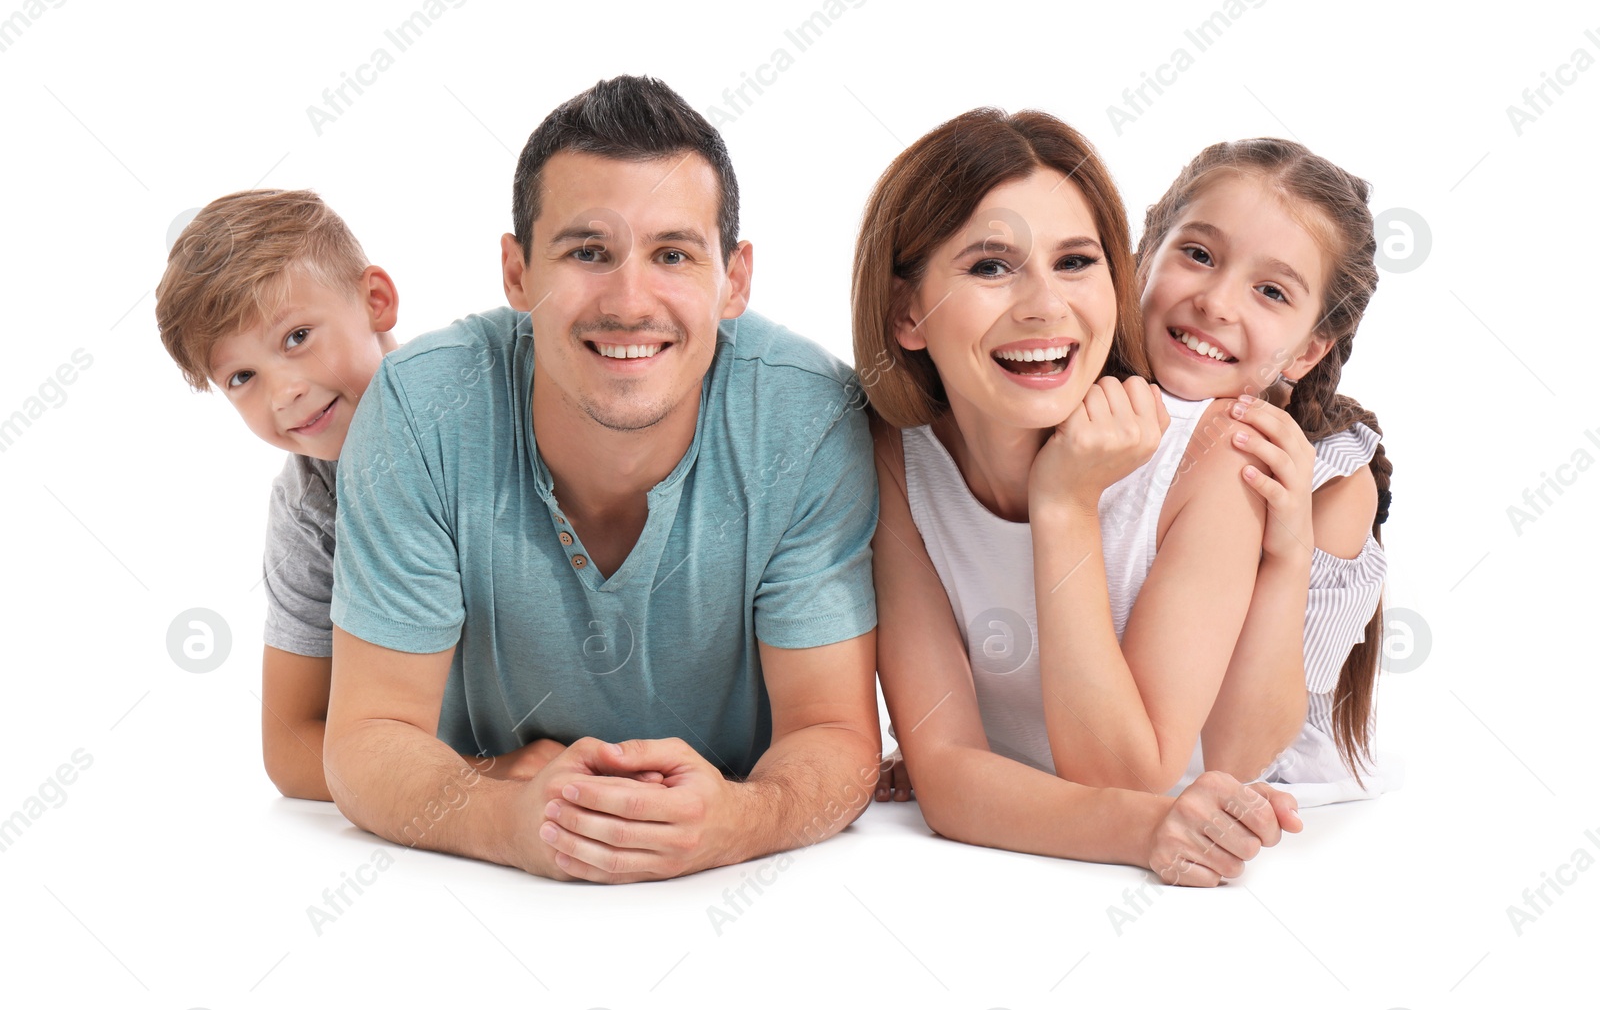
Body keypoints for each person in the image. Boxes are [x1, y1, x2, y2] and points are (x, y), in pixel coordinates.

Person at [323, 75, 882, 883]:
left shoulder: (809, 416)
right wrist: (513, 820)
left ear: (735, 279)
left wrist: (739, 821)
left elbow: (835, 735)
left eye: (673, 254)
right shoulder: (419, 406)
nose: (629, 301)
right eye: (588, 252)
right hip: (468, 885)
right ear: (516, 273)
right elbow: (366, 739)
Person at [855, 108, 1302, 886]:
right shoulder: (894, 458)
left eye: (1075, 262)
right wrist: (1148, 828)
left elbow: (1125, 772)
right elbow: (952, 777)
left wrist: (1063, 505)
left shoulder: (1213, 457)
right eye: (991, 267)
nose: (1044, 306)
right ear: (906, 313)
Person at [1132, 139, 1392, 807]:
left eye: (1270, 291)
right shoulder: (1077, 406)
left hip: (1238, 780)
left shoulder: (1332, 484)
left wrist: (1287, 552)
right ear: (1144, 258)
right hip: (1093, 758)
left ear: (1307, 348)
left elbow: (1238, 754)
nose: (1216, 302)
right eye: (1197, 254)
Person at [155, 189, 404, 800]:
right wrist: (471, 778)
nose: (285, 392)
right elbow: (291, 746)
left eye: (296, 337)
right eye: (241, 377)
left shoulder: (491, 401)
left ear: (375, 301)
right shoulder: (309, 512)